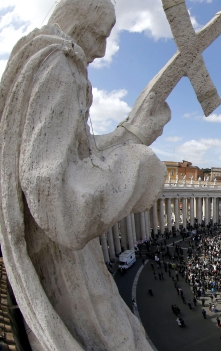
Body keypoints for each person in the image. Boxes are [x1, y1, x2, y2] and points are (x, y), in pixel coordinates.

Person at [0, 0, 170, 350]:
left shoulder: (39, 62)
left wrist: (132, 133)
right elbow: (58, 201)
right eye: (99, 36)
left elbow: (76, 151)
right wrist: (139, 165)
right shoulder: (60, 68)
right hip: (65, 264)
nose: (103, 50)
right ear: (78, 23)